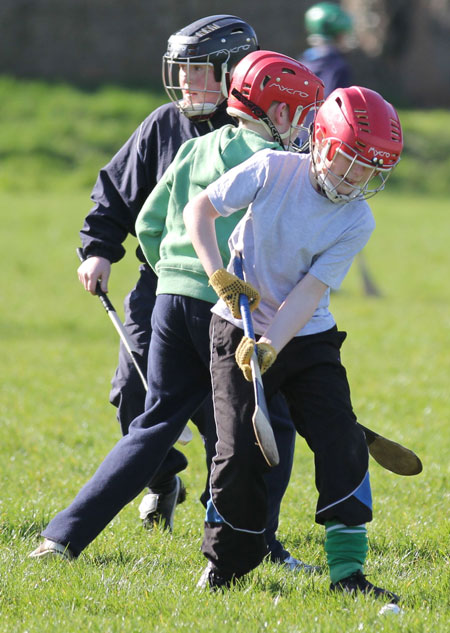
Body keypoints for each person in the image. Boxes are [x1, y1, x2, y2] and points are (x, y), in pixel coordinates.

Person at [28, 50, 324, 570]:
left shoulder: (199, 146)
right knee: (265, 427)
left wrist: (172, 271)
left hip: (168, 299)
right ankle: (260, 545)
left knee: (154, 424)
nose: (303, 127)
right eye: (299, 115)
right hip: (223, 310)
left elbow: (150, 219)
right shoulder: (277, 167)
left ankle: (61, 537)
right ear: (278, 115)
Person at [184, 85, 403, 599]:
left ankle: (348, 573)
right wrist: (219, 277)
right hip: (234, 324)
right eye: (349, 163)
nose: (356, 181)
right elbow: (201, 210)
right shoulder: (271, 170)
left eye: (370, 172)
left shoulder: (357, 219)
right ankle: (226, 566)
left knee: (343, 442)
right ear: (322, 142)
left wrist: (272, 343)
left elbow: (309, 293)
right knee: (238, 453)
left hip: (306, 336)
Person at [75, 14, 262, 531]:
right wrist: (98, 250)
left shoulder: (262, 134)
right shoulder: (163, 124)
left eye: (198, 70)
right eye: (181, 69)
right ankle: (162, 482)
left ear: (232, 73)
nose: (185, 81)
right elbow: (116, 192)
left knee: (222, 406)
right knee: (131, 394)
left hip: (235, 293)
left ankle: (218, 507)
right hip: (162, 287)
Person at [299, 2, 381, 296]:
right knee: (337, 211)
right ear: (338, 34)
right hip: (331, 146)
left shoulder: (302, 61)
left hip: (299, 142)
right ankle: (323, 276)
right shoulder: (339, 65)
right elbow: (341, 106)